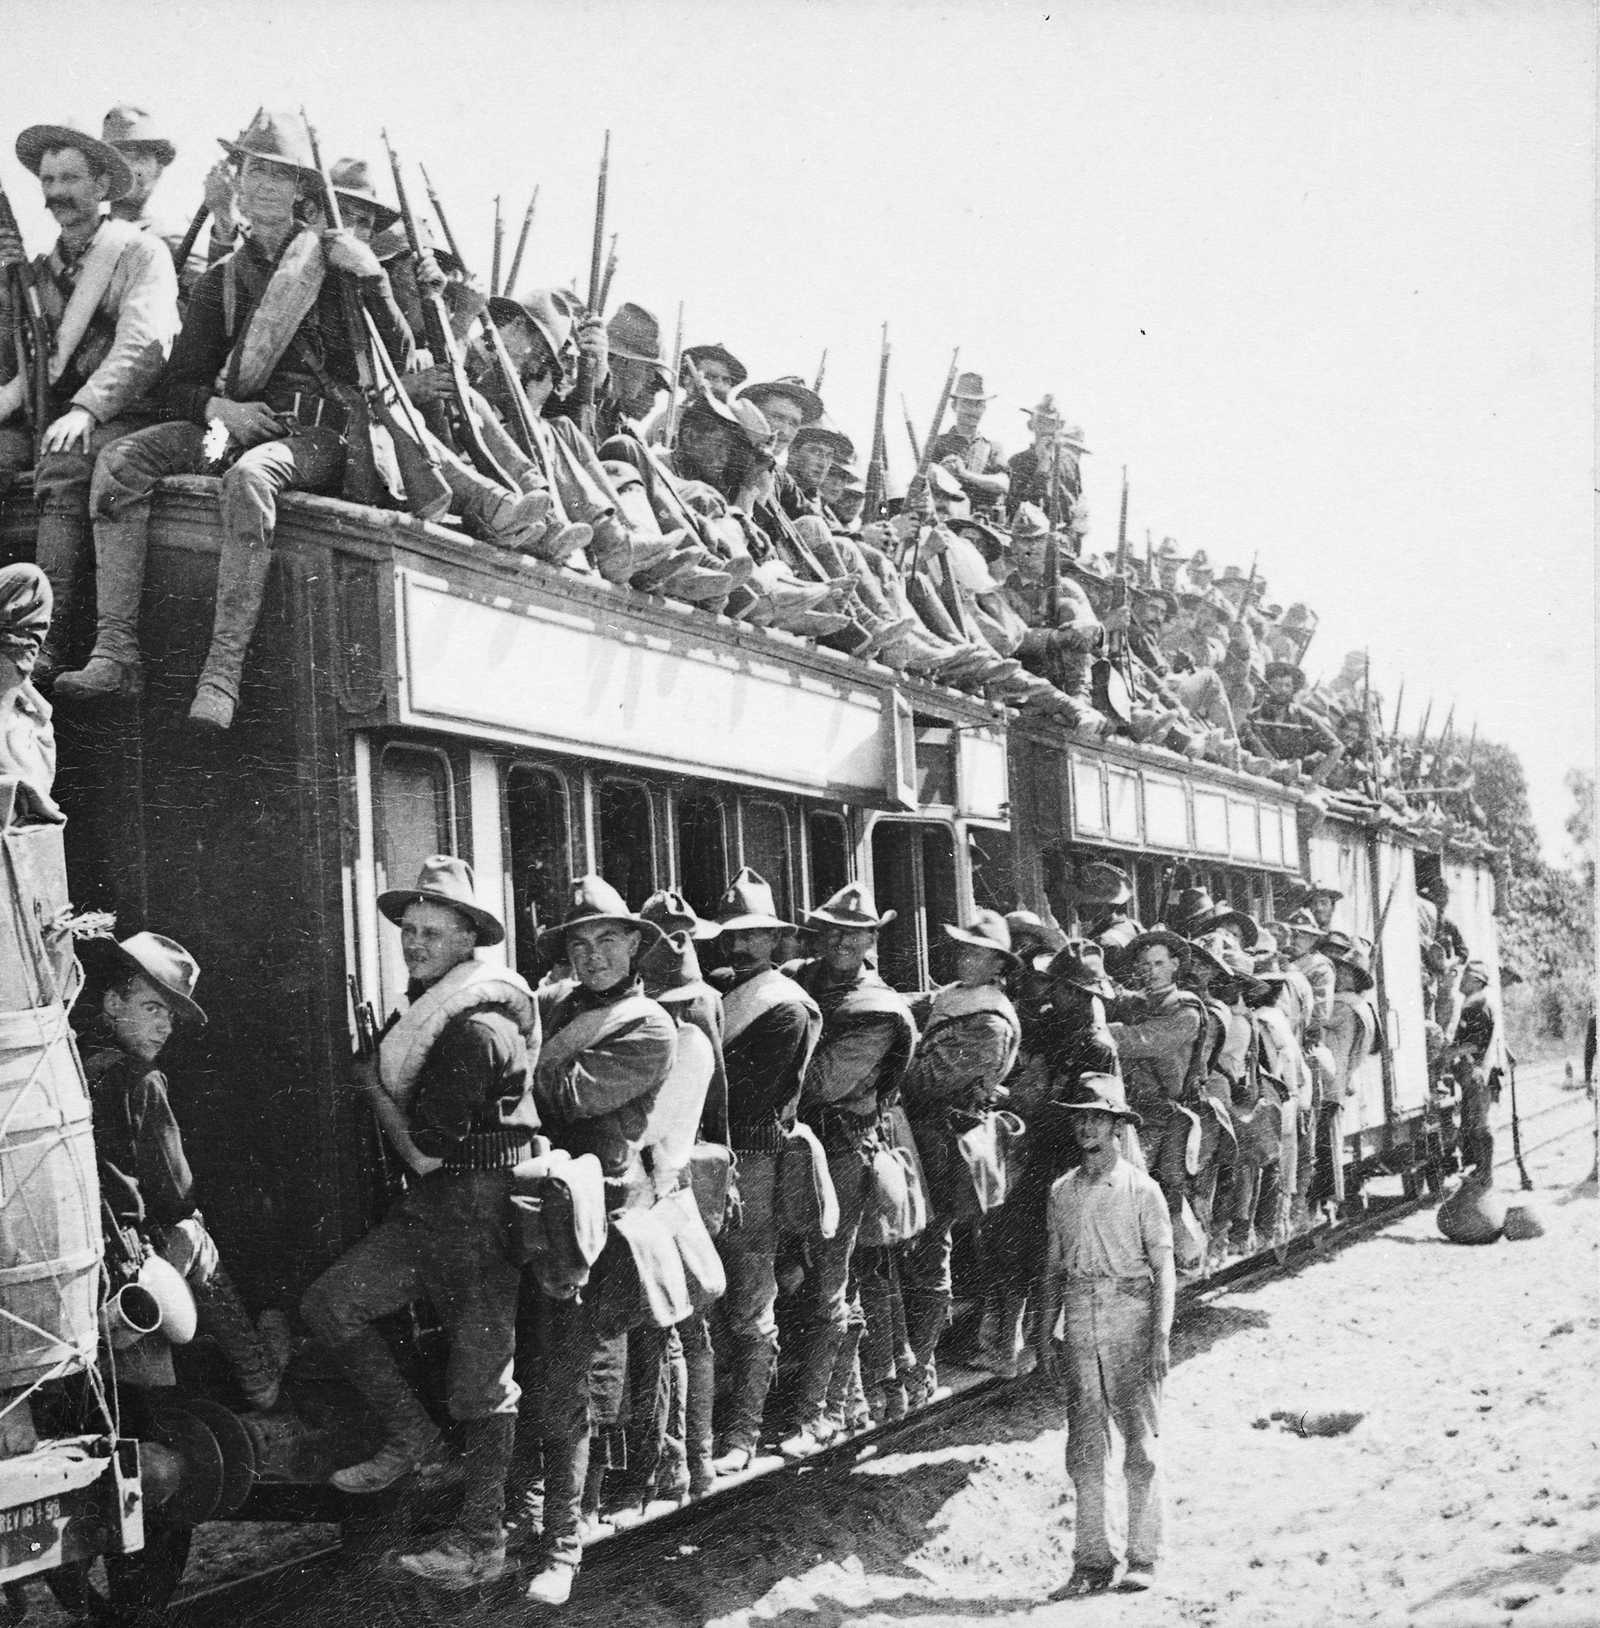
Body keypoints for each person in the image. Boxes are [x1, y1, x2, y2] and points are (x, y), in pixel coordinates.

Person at [53, 108, 412, 731]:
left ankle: (221, 674)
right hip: (236, 426)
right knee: (121, 460)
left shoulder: (337, 266)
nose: (265, 185)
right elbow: (181, 384)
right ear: (237, 182)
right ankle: (115, 650)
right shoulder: (224, 278)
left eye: (279, 173)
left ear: (301, 189)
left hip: (320, 438)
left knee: (249, 478)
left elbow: (398, 363)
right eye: (253, 171)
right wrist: (222, 409)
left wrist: (375, 282)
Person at [301, 856, 539, 1590]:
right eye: (408, 931)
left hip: (478, 1214)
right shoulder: (435, 1007)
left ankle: (481, 1542)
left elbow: (428, 1155)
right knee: (330, 1305)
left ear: (469, 939)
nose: (415, 943)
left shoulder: (476, 1029)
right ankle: (414, 1439)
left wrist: (371, 1086)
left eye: (432, 932)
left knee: (482, 1385)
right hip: (435, 1213)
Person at [517, 875, 679, 1609]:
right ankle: (524, 1515)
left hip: (592, 1218)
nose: (593, 955)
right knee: (520, 1367)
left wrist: (501, 1060)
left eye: (608, 939)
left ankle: (563, 1545)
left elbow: (566, 1096)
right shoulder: (554, 1007)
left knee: (567, 1384)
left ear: (636, 945)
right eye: (579, 943)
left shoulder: (649, 1027)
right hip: (529, 1202)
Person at [0, 116, 180, 672]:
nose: (57, 194)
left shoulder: (138, 254)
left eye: (70, 179)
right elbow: (29, 363)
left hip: (130, 415)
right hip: (54, 419)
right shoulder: (39, 272)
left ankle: (43, 646)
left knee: (66, 460)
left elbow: (145, 344)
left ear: (102, 187)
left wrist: (86, 407)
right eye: (48, 181)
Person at [80, 929, 287, 1406]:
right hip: (125, 1254)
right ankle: (258, 1376)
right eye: (153, 1008)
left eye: (170, 1016)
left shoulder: (73, 1059)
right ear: (113, 1002)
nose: (164, 1027)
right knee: (193, 1232)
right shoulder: (142, 1080)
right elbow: (175, 1191)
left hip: (87, 1245)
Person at [783, 883, 917, 1456]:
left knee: (827, 1283)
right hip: (795, 1146)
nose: (840, 940)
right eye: (832, 929)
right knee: (821, 1277)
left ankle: (817, 1415)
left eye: (854, 932)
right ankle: (850, 1400)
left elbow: (820, 1083)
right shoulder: (798, 977)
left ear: (870, 940)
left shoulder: (878, 1011)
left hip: (841, 1153)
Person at [1036, 1072, 1174, 1596]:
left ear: (1118, 1126)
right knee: (1085, 1445)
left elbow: (1165, 1269)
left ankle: (1143, 1556)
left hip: (1129, 1313)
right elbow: (1052, 1267)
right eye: (1080, 1117)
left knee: (1139, 1443)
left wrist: (1160, 1335)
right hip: (1080, 1316)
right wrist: (1045, 1328)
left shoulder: (1143, 1190)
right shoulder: (1062, 1192)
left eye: (1098, 1117)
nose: (1087, 1126)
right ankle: (1092, 1559)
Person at [705, 868, 821, 1473]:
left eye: (753, 938)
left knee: (751, 1298)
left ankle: (743, 1432)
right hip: (716, 1157)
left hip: (754, 1160)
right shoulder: (722, 991)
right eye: (731, 938)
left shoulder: (784, 1009)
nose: (740, 949)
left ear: (776, 942)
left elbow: (742, 1096)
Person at [900, 911, 1021, 1403]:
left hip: (944, 1142)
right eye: (961, 948)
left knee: (931, 1249)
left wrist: (886, 1054)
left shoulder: (989, 1022)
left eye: (975, 951)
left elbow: (925, 1082)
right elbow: (921, 1003)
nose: (963, 957)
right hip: (922, 1137)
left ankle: (922, 1364)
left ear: (997, 964)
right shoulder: (957, 996)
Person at [1241, 663, 1344, 786]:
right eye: (1277, 685)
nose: (1283, 690)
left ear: (1293, 689)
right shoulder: (1252, 717)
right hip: (1256, 781)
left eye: (1287, 685)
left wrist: (1313, 781)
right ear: (1267, 686)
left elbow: (1337, 747)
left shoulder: (1304, 718)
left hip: (1291, 787)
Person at [928, 371, 1009, 518]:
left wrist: (965, 474)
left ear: (984, 408)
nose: (973, 410)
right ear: (954, 406)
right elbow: (926, 480)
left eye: (978, 404)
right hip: (948, 522)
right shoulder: (937, 443)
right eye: (967, 403)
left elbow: (1003, 483)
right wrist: (941, 473)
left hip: (985, 525)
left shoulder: (993, 447)